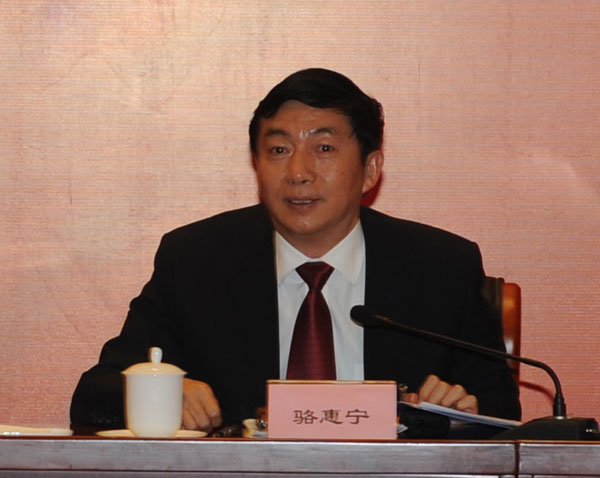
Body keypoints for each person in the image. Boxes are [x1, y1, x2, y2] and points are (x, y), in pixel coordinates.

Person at [70, 68, 521, 432]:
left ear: (370, 169)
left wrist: (459, 416)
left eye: (323, 147)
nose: (299, 172)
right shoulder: (195, 262)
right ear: (257, 164)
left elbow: (502, 412)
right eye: (279, 149)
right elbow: (95, 393)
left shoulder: (440, 268)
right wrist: (161, 391)